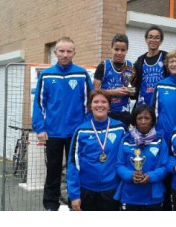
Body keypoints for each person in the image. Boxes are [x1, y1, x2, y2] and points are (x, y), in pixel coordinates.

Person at [32, 36, 93, 211]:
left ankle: (77, 201)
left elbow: (90, 102)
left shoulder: (81, 74)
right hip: (53, 133)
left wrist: (86, 127)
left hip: (76, 133)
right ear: (55, 53)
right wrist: (40, 127)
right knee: (53, 170)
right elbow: (38, 104)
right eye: (61, 51)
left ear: (74, 53)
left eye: (69, 51)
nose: (65, 54)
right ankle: (51, 204)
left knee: (77, 168)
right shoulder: (46, 75)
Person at [67, 90, 126, 211]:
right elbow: (73, 164)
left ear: (109, 106)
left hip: (111, 190)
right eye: (96, 102)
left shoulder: (120, 128)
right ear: (90, 106)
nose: (100, 105)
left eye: (104, 102)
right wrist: (74, 195)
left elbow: (126, 158)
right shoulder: (81, 131)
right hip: (86, 189)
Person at [114, 104, 168, 211]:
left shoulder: (160, 140)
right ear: (134, 120)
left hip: (153, 196)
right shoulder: (126, 140)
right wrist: (130, 175)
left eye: (147, 118)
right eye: (139, 118)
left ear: (152, 120)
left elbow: (165, 166)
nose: (143, 122)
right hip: (130, 196)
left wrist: (151, 176)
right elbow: (119, 165)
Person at [94, 33, 133, 128]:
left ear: (127, 50)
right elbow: (94, 91)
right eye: (116, 49)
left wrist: (129, 90)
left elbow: (133, 90)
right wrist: (114, 92)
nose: (119, 53)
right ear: (111, 48)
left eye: (123, 50)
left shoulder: (130, 66)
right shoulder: (103, 66)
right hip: (106, 112)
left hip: (124, 113)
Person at [133, 25, 168, 106]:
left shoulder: (166, 57)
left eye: (157, 38)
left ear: (161, 41)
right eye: (150, 37)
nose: (153, 40)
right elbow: (134, 81)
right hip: (143, 104)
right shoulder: (140, 60)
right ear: (146, 40)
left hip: (161, 102)